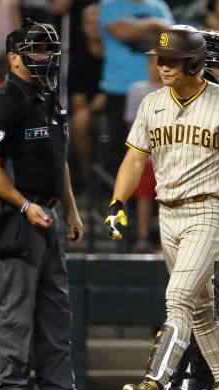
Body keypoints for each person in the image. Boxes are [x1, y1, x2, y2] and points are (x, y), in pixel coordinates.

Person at [105, 25, 219, 390]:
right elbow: (134, 158)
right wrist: (117, 202)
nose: (163, 66)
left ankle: (153, 383)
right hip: (169, 214)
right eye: (160, 59)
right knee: (199, 310)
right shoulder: (151, 103)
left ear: (195, 62)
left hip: (212, 210)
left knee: (177, 298)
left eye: (172, 60)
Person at [0, 20, 104, 390]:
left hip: (47, 213)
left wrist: (71, 209)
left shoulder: (47, 99)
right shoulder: (6, 100)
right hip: (16, 216)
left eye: (49, 50)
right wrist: (26, 206)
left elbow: (58, 161)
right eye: (37, 50)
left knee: (55, 309)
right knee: (14, 309)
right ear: (15, 58)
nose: (46, 58)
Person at [158, 28, 219, 390]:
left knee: (197, 300)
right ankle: (196, 379)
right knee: (193, 300)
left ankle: (196, 380)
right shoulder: (185, 98)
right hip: (187, 211)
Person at [98, 0, 173, 175]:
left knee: (160, 144)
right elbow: (123, 32)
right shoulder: (110, 5)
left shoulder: (159, 6)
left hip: (158, 87)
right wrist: (155, 24)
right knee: (122, 145)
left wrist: (135, 27)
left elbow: (170, 37)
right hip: (119, 87)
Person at [124, 55, 163, 253]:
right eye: (152, 62)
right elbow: (133, 124)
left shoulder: (176, 90)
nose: (156, 67)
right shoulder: (137, 90)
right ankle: (143, 238)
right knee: (144, 196)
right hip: (146, 155)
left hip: (173, 157)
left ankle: (168, 241)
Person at [69, 3, 105, 180]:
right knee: (80, 120)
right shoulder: (77, 60)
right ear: (83, 27)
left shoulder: (117, 54)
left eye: (99, 22)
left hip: (119, 104)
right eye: (90, 23)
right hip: (91, 111)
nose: (95, 27)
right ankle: (87, 177)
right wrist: (93, 106)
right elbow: (78, 104)